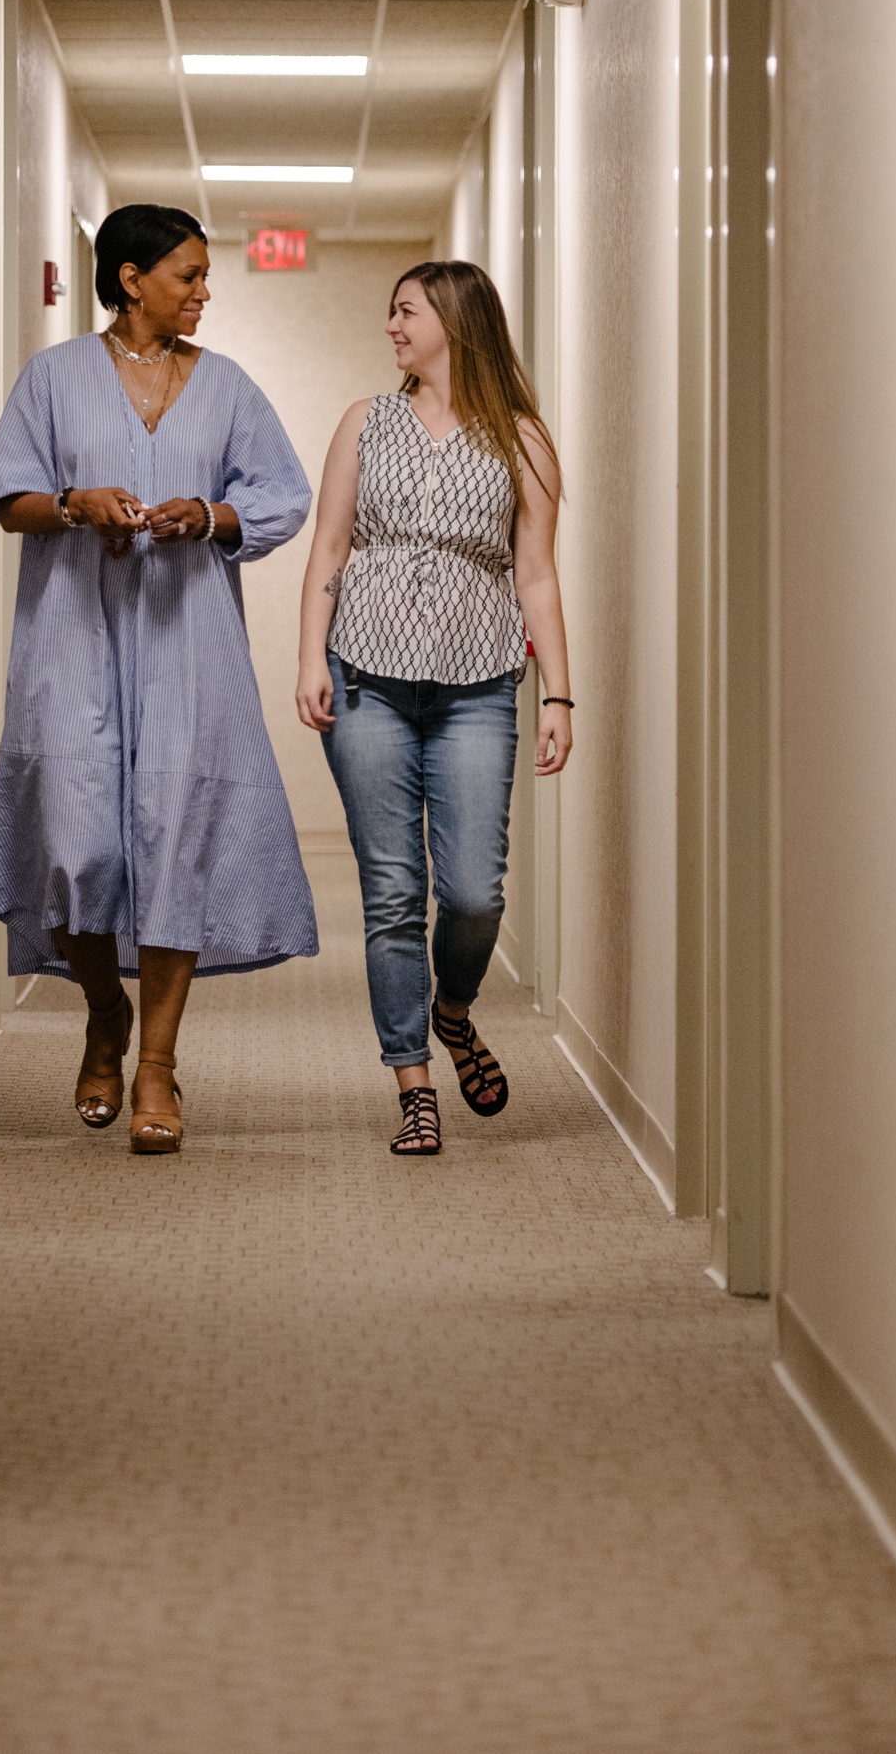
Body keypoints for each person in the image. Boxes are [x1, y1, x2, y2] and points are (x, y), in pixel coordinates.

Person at [0, 203, 316, 1155]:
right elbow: (8, 501)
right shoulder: (53, 378)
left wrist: (207, 516)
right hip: (72, 636)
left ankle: (156, 1065)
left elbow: (281, 496)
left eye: (204, 278)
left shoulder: (229, 386)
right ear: (130, 279)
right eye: (187, 276)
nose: (204, 293)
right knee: (76, 846)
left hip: (188, 644)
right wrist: (77, 505)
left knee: (174, 841)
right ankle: (101, 1013)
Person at [295, 260, 572, 1156]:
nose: (391, 327)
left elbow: (534, 574)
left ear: (453, 318)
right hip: (367, 679)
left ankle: (452, 1011)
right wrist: (311, 658)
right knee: (390, 893)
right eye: (389, 313)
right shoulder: (365, 423)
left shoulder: (521, 439)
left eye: (404, 311)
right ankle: (413, 1081)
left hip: (479, 687)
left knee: (471, 893)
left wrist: (558, 690)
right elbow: (329, 545)